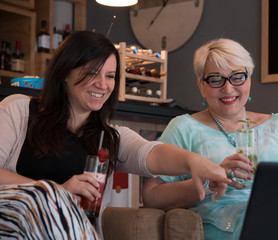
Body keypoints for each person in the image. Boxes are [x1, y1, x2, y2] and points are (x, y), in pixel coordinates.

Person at [0, 31, 232, 239]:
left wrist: (195, 162)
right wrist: (55, 191)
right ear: (64, 73)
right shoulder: (19, 111)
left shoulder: (110, 137)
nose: (102, 84)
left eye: (110, 76)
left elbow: (152, 154)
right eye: (92, 73)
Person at [142, 38, 278, 240]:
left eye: (237, 77)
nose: (228, 89)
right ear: (201, 85)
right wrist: (209, 179)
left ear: (248, 79)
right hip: (225, 225)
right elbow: (152, 196)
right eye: (215, 79)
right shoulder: (184, 128)